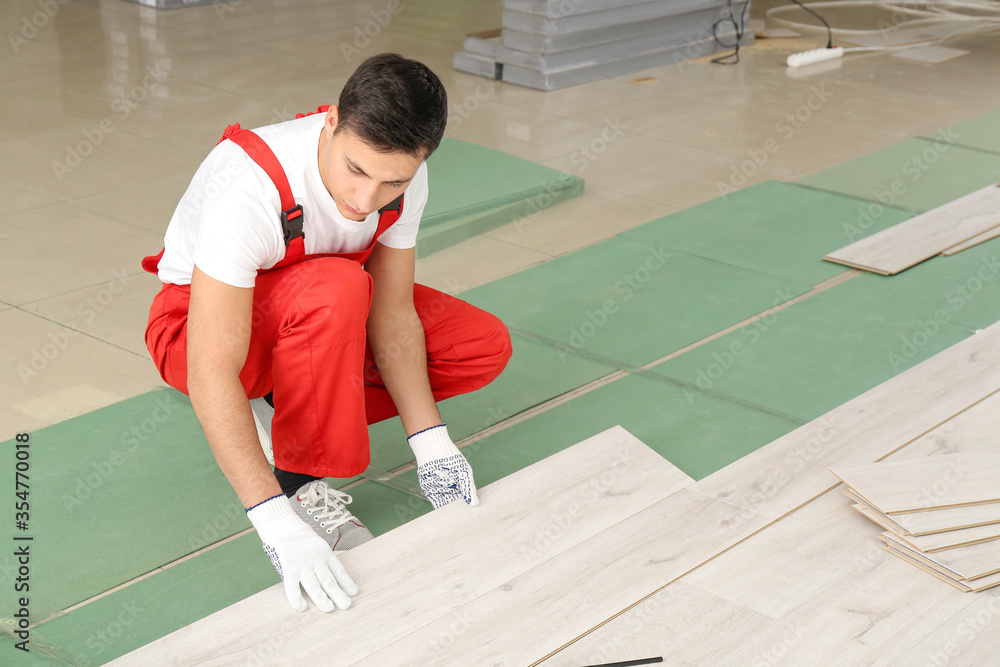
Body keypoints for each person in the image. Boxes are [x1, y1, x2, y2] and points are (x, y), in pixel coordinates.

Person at [140, 53, 512, 614]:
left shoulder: (403, 179)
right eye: (356, 171)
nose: (366, 201)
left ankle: (282, 408)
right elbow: (210, 365)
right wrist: (272, 520)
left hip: (322, 315)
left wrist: (431, 443)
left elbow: (391, 315)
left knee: (478, 346)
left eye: (393, 181)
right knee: (334, 287)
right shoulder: (250, 186)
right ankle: (295, 478)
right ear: (332, 121)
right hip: (196, 330)